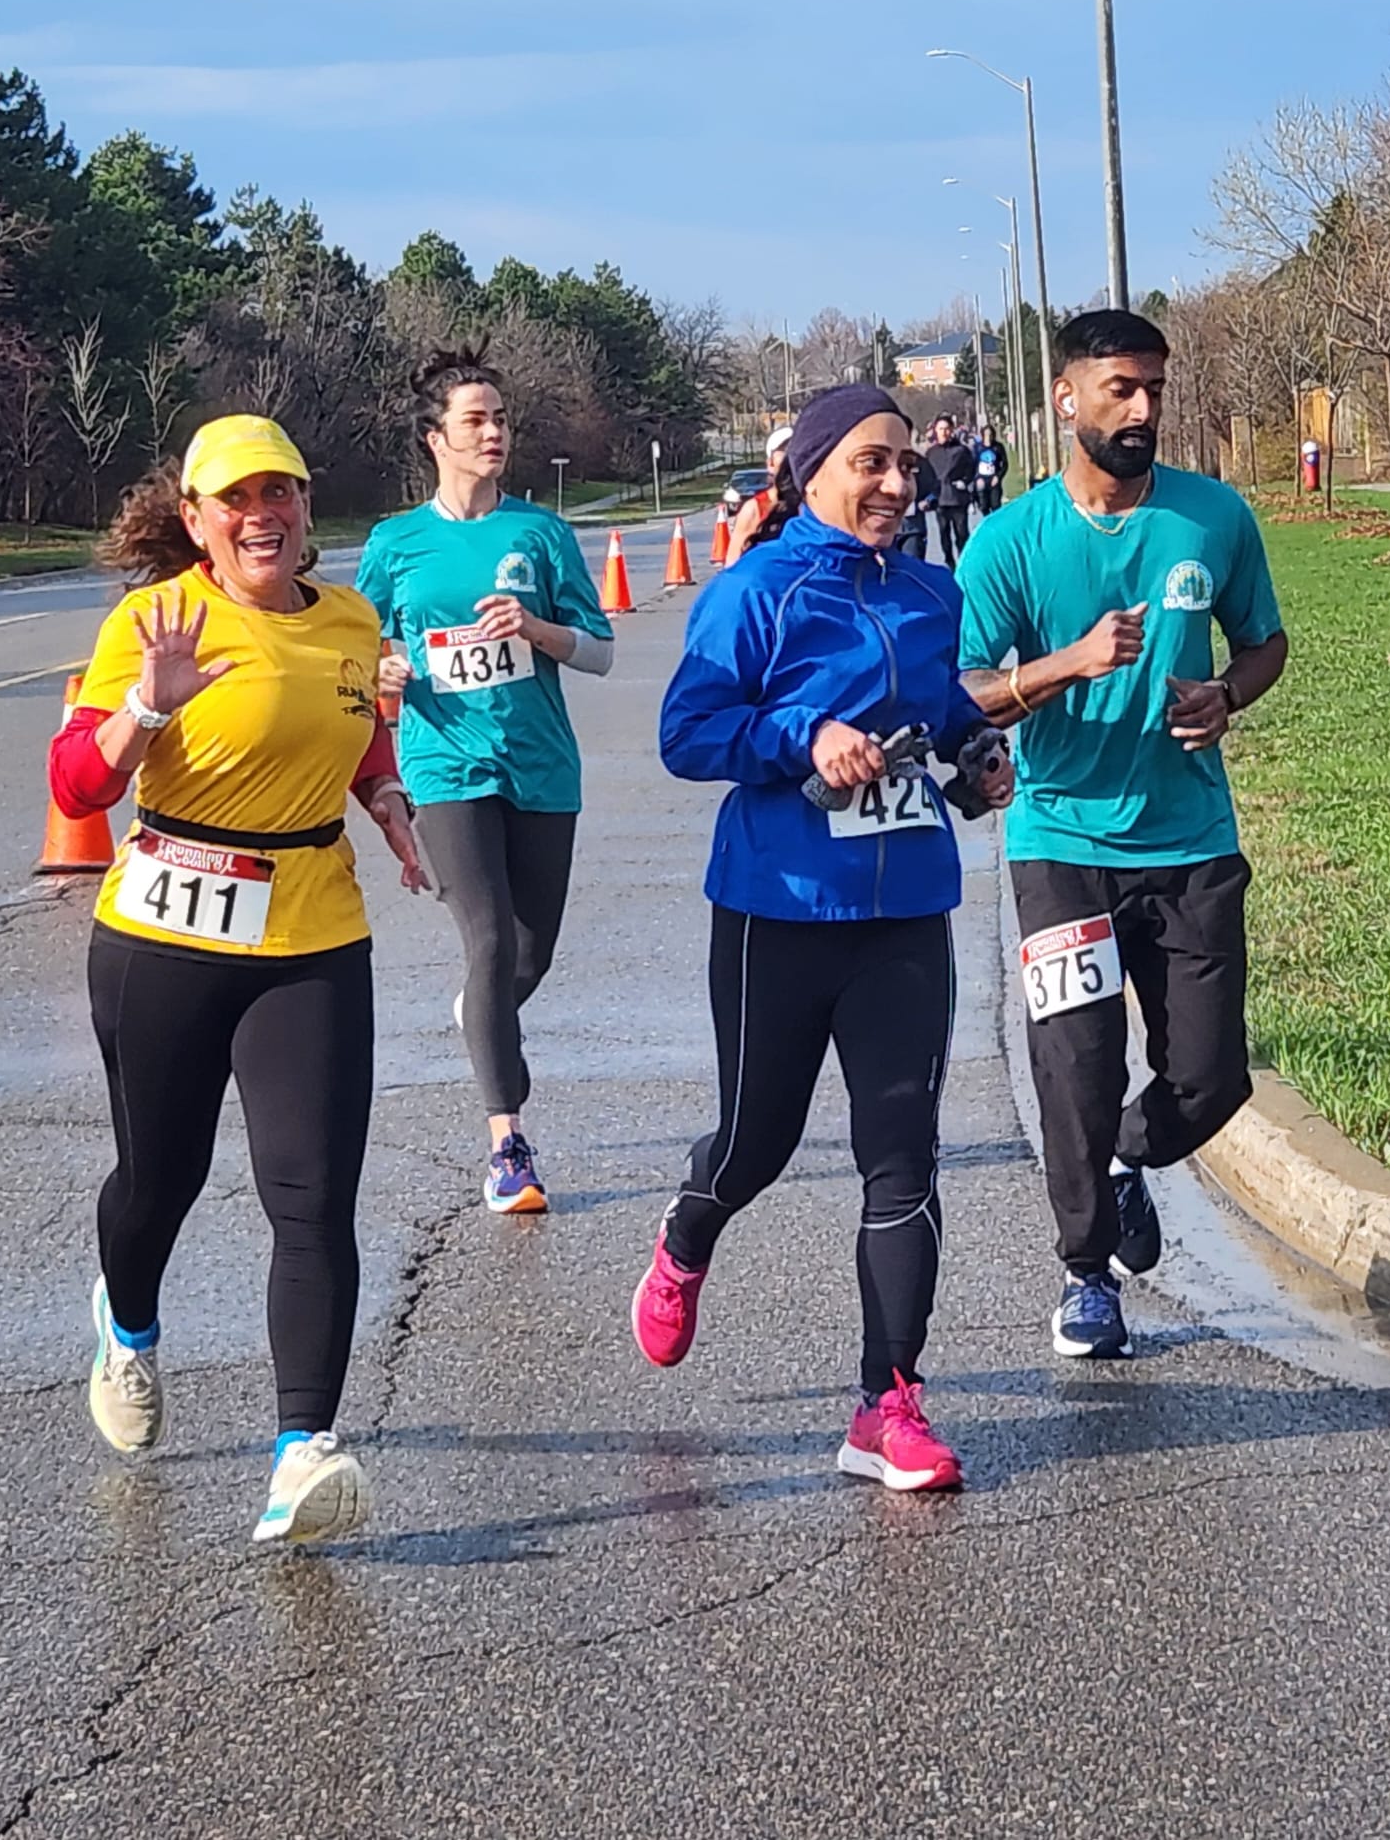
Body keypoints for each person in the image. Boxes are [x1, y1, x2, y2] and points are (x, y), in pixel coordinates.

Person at [49, 413, 428, 1545]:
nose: (263, 516)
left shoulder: (350, 620)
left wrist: (386, 799)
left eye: (281, 493)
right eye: (237, 499)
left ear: (306, 506)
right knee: (157, 1179)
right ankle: (126, 1321)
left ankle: (302, 1450)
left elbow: (351, 729)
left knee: (311, 1198)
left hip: (311, 934)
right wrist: (147, 706)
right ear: (197, 519)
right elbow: (77, 789)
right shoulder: (154, 620)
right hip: (165, 933)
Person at [631, 383, 1013, 1493]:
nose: (896, 483)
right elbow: (689, 733)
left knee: (902, 1154)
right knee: (756, 1140)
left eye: (904, 463)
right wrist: (807, 735)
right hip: (780, 909)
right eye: (869, 464)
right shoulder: (755, 591)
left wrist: (977, 760)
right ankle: (688, 1234)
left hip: (907, 913)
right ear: (809, 474)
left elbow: (942, 710)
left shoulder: (931, 593)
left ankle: (887, 1403)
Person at [956, 311, 1289, 1362]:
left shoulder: (1211, 517)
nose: (1142, 409)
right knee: (1076, 1068)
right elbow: (965, 689)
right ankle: (1086, 1273)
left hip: (1190, 836)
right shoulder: (1010, 540)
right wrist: (1069, 662)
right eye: (1120, 390)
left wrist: (1226, 694)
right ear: (1066, 400)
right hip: (1059, 840)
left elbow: (1265, 642)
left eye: (1154, 390)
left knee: (1210, 1077)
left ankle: (1121, 1161)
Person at [357, 346, 616, 1214]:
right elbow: (359, 648)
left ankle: (483, 1015)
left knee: (527, 956)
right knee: (490, 941)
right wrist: (382, 668)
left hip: (540, 764)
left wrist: (536, 629)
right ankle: (509, 1145)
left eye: (501, 418)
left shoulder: (540, 534)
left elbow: (601, 652)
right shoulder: (396, 543)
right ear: (436, 438)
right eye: (476, 419)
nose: (495, 432)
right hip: (444, 765)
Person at [723, 424, 793, 566]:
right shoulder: (755, 509)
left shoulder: (816, 503)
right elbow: (733, 566)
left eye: (795, 449)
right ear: (770, 463)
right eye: (784, 450)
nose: (791, 456)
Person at [924, 414, 977, 567]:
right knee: (944, 533)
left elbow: (971, 469)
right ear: (935, 430)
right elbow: (926, 475)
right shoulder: (931, 453)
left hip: (958, 498)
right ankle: (949, 562)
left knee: (961, 533)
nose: (944, 432)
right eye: (941, 429)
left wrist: (965, 482)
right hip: (940, 500)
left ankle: (964, 562)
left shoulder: (961, 450)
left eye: (947, 429)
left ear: (952, 430)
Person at [973, 424, 1011, 515]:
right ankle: (987, 520)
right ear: (982, 435)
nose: (988, 437)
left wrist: (998, 476)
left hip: (994, 479)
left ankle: (995, 522)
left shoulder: (998, 447)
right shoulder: (977, 447)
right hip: (981, 480)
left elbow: (1005, 464)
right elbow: (972, 465)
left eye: (990, 435)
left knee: (995, 506)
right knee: (983, 506)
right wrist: (977, 478)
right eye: (986, 435)